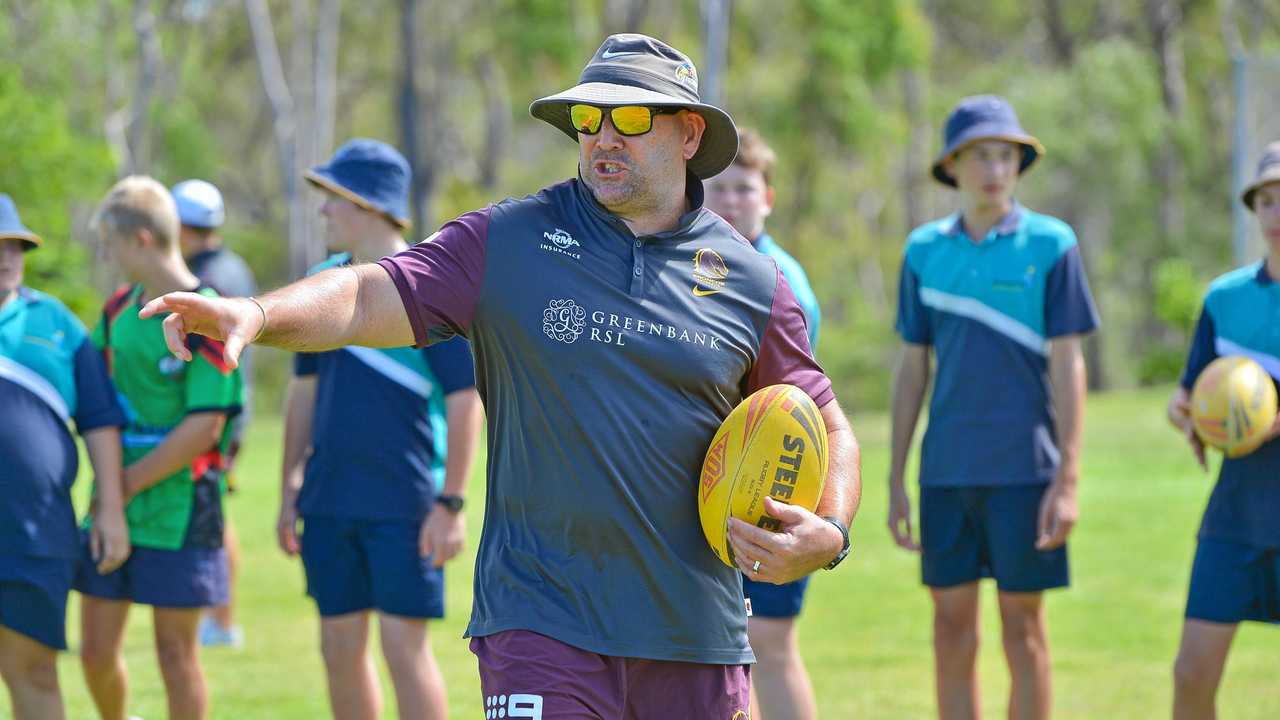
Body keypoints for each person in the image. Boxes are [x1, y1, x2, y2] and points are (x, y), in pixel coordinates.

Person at [141, 33, 861, 718]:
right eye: (589, 117)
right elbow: (365, 293)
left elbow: (826, 420)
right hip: (541, 624)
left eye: (633, 117)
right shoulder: (508, 241)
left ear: (689, 135)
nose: (604, 137)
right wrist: (257, 314)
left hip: (695, 640)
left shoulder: (754, 280)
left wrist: (830, 530)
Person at [888, 95, 1099, 720]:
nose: (994, 169)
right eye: (981, 155)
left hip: (1025, 473)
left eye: (1005, 156)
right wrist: (896, 477)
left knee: (1023, 633)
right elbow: (911, 370)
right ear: (953, 165)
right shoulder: (923, 251)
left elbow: (1070, 365)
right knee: (951, 633)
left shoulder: (1053, 244)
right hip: (947, 473)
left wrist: (1068, 480)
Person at [276, 139, 483, 720]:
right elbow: (303, 390)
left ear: (367, 204)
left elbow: (466, 400)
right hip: (329, 499)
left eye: (332, 198)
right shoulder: (319, 281)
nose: (322, 212)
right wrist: (290, 479)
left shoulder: (428, 286)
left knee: (403, 649)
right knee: (338, 649)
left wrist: (452, 503)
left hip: (406, 503)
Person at [75, 176, 243, 720]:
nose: (107, 256)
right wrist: (110, 499)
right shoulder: (117, 309)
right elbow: (94, 398)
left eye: (112, 244)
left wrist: (120, 489)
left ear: (142, 240)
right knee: (97, 652)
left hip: (182, 506)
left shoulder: (210, 313)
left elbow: (204, 427)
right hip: (113, 503)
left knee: (176, 655)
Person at [706, 128, 822, 720]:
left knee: (769, 646)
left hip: (769, 490)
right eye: (719, 188)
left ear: (768, 198)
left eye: (744, 189)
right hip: (719, 491)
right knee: (728, 651)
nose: (730, 200)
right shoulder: (703, 270)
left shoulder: (781, 281)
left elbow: (797, 409)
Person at [0, 194, 129, 720]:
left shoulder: (59, 325)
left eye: (16, 246)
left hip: (36, 535)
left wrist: (111, 508)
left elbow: (99, 420)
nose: (7, 257)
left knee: (33, 671)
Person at [1165, 141, 1280, 720]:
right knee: (1191, 674)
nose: (1277, 212)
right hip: (1237, 511)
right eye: (1267, 199)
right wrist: (1186, 413)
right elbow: (1192, 392)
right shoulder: (1225, 298)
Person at [172, 178, 257, 649]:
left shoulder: (210, 278)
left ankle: (222, 621)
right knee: (218, 512)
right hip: (235, 407)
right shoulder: (234, 267)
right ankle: (219, 617)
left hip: (221, 411)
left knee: (216, 515)